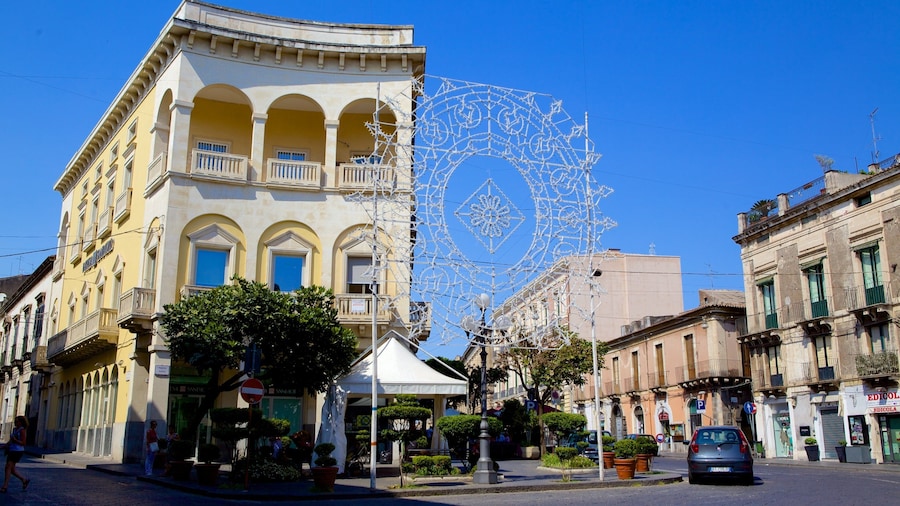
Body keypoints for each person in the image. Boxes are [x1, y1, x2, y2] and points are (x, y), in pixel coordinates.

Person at [1, 416, 30, 492]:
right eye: (15, 421)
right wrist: (4, 446)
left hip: (17, 451)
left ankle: (5, 486)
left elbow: (23, 443)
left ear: (21, 422)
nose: (15, 422)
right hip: (12, 450)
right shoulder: (14, 429)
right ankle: (24, 480)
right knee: (12, 469)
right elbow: (11, 441)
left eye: (17, 421)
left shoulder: (22, 430)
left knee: (8, 467)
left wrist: (15, 440)